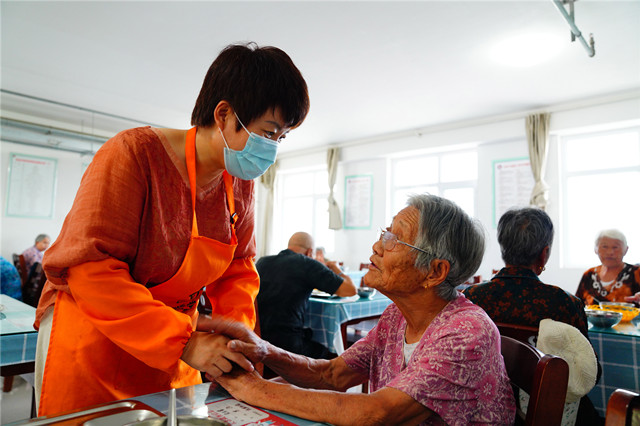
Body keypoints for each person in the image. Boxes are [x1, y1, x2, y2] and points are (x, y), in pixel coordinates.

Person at [33, 42, 310, 417]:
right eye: (268, 132)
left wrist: (236, 339)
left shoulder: (240, 184)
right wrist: (182, 341)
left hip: (177, 339)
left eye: (281, 138)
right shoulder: (132, 154)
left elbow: (238, 269)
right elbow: (89, 269)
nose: (273, 148)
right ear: (225, 114)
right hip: (98, 335)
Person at [212, 195, 516, 425]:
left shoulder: (467, 332)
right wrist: (264, 350)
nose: (377, 245)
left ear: (435, 272)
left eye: (395, 239)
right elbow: (331, 374)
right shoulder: (397, 317)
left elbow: (376, 412)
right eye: (385, 232)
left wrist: (256, 390)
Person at [463, 207, 602, 425]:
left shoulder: (472, 297)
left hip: (482, 406)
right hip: (545, 410)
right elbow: (589, 370)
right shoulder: (565, 303)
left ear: (503, 248)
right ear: (544, 253)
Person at [256, 232, 356, 359]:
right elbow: (350, 290)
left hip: (258, 341)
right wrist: (336, 268)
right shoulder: (307, 263)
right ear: (310, 252)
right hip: (289, 346)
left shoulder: (263, 262)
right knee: (332, 354)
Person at [576, 229, 640, 306]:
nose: (610, 252)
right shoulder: (589, 274)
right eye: (604, 247)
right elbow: (577, 307)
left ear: (626, 250)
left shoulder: (637, 273)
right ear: (596, 249)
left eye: (615, 247)